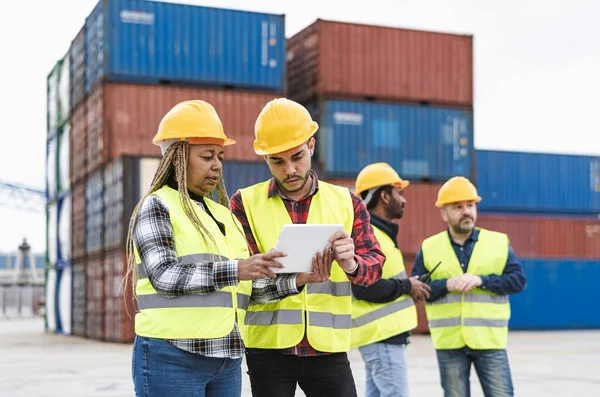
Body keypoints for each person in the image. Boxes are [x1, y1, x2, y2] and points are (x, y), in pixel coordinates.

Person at [124, 100, 333, 397]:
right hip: (172, 356)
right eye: (207, 156)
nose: (217, 165)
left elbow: (244, 292)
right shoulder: (157, 206)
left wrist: (298, 280)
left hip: (226, 358)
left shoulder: (223, 215)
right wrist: (237, 269)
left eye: (220, 156)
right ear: (177, 158)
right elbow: (164, 276)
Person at [229, 98, 385, 397]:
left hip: (328, 348)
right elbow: (244, 285)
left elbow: (374, 267)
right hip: (268, 349)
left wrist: (352, 264)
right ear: (265, 159)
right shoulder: (243, 204)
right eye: (277, 161)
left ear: (311, 146)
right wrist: (298, 279)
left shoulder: (347, 202)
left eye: (297, 156)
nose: (290, 169)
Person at [411, 176, 527, 397]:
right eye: (458, 207)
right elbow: (417, 290)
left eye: (470, 205)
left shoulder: (498, 242)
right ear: (444, 214)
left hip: (489, 341)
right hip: (449, 342)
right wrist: (447, 284)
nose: (466, 211)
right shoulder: (429, 247)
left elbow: (518, 281)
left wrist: (482, 280)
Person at [351, 162, 431, 397]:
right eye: (399, 193)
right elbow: (364, 287)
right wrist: (408, 285)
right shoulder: (370, 235)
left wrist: (407, 285)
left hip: (382, 337)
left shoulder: (378, 233)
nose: (404, 200)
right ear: (385, 196)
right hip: (380, 336)